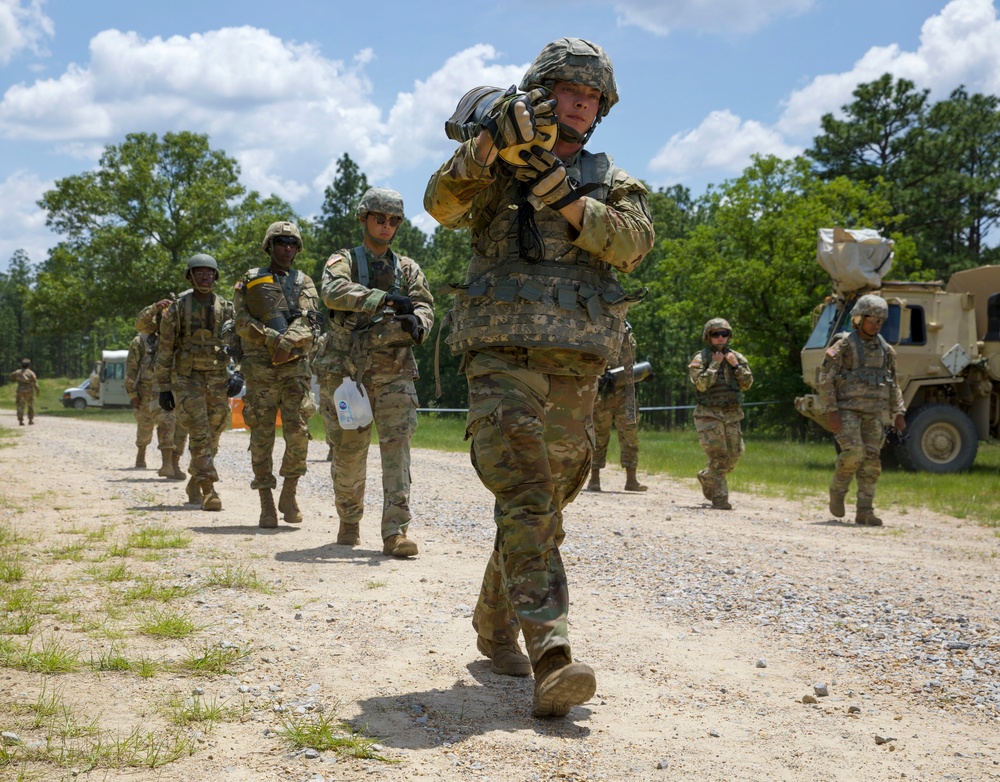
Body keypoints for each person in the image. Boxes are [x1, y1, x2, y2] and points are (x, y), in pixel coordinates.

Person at [425, 38, 654, 718]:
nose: (581, 103)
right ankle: (552, 656)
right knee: (526, 495)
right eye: (569, 91)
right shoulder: (494, 165)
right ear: (543, 93)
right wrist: (487, 147)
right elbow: (440, 205)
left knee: (547, 504)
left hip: (575, 369)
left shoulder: (612, 180)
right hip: (500, 361)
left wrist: (562, 197)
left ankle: (495, 623)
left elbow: (632, 243)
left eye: (593, 97)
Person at [320, 187, 434, 557]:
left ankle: (395, 532)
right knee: (349, 452)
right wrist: (382, 298)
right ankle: (349, 520)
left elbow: (424, 304)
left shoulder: (407, 268)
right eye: (379, 219)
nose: (386, 227)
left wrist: (419, 322)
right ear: (364, 218)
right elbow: (332, 291)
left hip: (395, 371)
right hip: (350, 374)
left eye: (393, 221)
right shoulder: (344, 261)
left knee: (397, 449)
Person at [234, 221, 320, 528]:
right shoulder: (252, 279)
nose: (287, 248)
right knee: (261, 437)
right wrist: (272, 339)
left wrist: (288, 341)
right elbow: (241, 321)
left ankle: (289, 493)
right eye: (281, 242)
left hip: (295, 369)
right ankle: (266, 502)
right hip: (260, 370)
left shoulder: (304, 282)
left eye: (292, 244)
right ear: (269, 246)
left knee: (298, 434)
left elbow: (311, 320)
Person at [155, 254, 239, 511]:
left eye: (209, 272)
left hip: (217, 378)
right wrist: (164, 387)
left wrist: (240, 372)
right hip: (187, 379)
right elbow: (166, 347)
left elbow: (238, 342)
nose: (205, 277)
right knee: (200, 432)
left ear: (215, 276)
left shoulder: (226, 308)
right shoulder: (177, 309)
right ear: (190, 276)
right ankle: (208, 489)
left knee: (214, 433)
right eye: (199, 273)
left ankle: (194, 480)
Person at [818, 294, 906, 526]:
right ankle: (838, 490)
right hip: (847, 411)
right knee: (854, 452)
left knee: (872, 461)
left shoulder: (886, 350)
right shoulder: (844, 345)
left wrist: (899, 412)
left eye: (880, 320)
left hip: (874, 414)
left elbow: (893, 383)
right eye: (872, 319)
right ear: (859, 318)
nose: (877, 324)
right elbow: (825, 378)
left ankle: (865, 511)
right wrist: (832, 411)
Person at [688, 318, 753, 510]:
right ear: (708, 336)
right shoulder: (700, 358)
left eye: (724, 334)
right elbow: (700, 384)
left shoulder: (737, 358)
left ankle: (707, 476)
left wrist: (735, 367)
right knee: (718, 456)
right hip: (709, 414)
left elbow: (747, 384)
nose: (720, 338)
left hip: (732, 414)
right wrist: (715, 365)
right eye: (716, 334)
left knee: (735, 453)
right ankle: (720, 499)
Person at [587, 327, 647, 492]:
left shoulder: (629, 336)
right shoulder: (599, 332)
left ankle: (631, 480)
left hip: (626, 395)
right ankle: (594, 479)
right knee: (598, 437)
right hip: (603, 396)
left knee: (630, 438)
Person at [136, 298, 188, 480]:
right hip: (162, 382)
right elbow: (140, 323)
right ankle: (166, 463)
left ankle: (175, 462)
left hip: (185, 381)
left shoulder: (185, 330)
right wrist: (154, 307)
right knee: (166, 420)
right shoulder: (155, 334)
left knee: (182, 424)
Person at [11, 358, 40, 426]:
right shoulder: (31, 373)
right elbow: (35, 383)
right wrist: (37, 391)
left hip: (20, 391)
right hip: (29, 391)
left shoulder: (17, 372)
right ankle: (30, 420)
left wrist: (17, 378)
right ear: (29, 365)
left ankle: (20, 421)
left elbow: (12, 376)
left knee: (20, 405)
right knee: (30, 405)